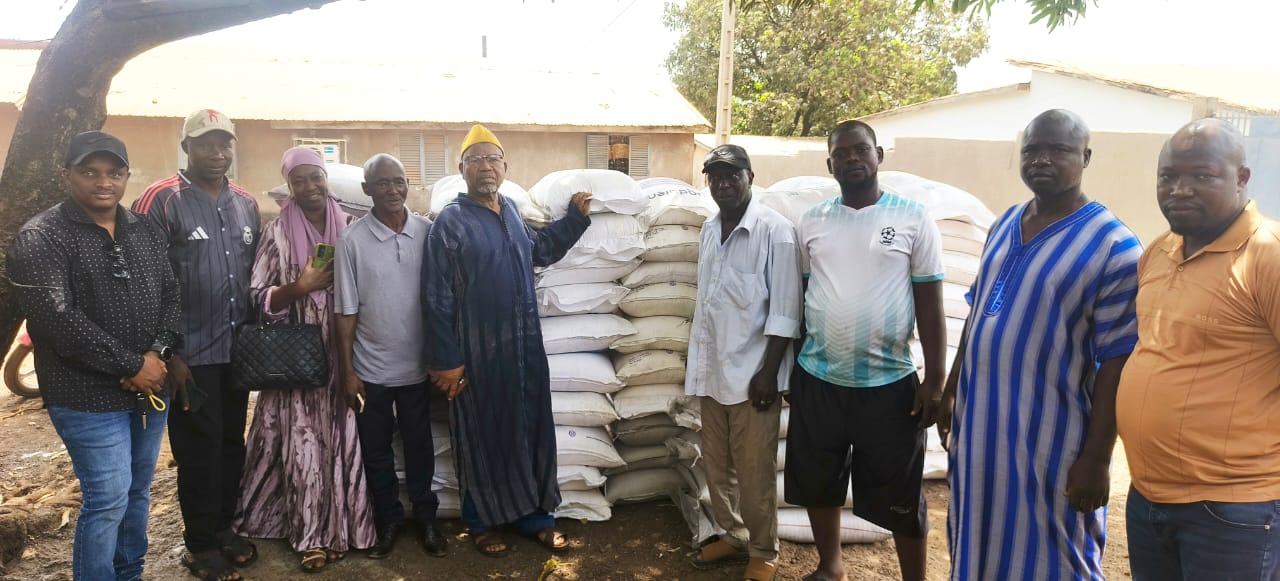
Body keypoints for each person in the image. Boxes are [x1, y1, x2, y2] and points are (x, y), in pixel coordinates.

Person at [938, 109, 1141, 580]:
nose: (1042, 159)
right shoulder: (1005, 222)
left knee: (1058, 556)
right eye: (1032, 150)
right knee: (974, 539)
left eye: (1059, 150)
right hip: (980, 434)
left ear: (1086, 156)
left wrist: (1096, 459)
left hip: (1051, 444)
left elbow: (1118, 362)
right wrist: (951, 390)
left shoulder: (1115, 247)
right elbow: (977, 312)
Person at [7, 131, 180, 580]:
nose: (103, 182)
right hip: (84, 395)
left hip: (147, 390)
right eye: (89, 172)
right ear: (67, 175)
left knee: (138, 491)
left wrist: (156, 355)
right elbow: (59, 321)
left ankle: (130, 574)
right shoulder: (42, 237)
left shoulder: (144, 228)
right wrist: (131, 365)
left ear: (125, 176)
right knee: (107, 498)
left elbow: (171, 296)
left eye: (114, 172)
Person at [1117, 119, 1280, 580]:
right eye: (1168, 177)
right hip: (1149, 499)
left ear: (1241, 179)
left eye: (1202, 176)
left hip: (1234, 510)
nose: (1180, 189)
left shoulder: (1266, 255)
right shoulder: (1159, 251)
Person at [785, 120, 946, 581]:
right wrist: (797, 365)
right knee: (819, 480)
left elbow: (930, 304)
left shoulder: (913, 217)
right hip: (819, 378)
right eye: (843, 153)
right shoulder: (812, 221)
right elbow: (802, 297)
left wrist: (933, 379)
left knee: (901, 490)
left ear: (879, 156)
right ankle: (830, 566)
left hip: (890, 383)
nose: (853, 159)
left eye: (862, 150)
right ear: (829, 163)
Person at [423, 124, 591, 557]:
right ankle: (483, 523)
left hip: (524, 350)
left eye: (492, 158)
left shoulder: (514, 211)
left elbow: (541, 248)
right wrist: (446, 360)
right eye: (475, 159)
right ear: (461, 169)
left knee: (532, 431)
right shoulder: (449, 222)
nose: (485, 166)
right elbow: (435, 296)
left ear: (504, 166)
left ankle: (537, 518)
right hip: (476, 356)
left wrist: (575, 220)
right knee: (481, 436)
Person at [132, 109, 260, 581]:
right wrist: (170, 355)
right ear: (186, 147)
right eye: (206, 143)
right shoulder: (160, 199)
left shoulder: (245, 202)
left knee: (231, 444)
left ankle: (224, 528)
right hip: (189, 356)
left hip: (236, 353)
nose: (217, 152)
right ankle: (200, 543)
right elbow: (143, 284)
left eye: (224, 143)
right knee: (198, 451)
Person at [233, 146, 375, 573]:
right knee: (303, 447)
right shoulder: (276, 233)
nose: (310, 187)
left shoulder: (350, 227)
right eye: (300, 180)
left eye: (316, 177)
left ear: (325, 178)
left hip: (345, 354)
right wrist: (301, 286)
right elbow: (257, 297)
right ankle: (311, 536)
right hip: (295, 358)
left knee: (343, 441)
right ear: (289, 186)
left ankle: (349, 530)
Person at [685, 144, 802, 581]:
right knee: (717, 466)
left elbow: (786, 309)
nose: (723, 183)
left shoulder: (776, 231)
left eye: (732, 175)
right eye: (715, 176)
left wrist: (769, 372)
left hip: (755, 377)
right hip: (712, 371)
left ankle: (763, 550)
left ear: (751, 176)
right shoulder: (709, 229)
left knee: (755, 473)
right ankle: (730, 535)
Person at [334, 154, 446, 559]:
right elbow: (345, 312)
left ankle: (427, 519)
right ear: (367, 190)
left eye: (399, 182)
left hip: (417, 370)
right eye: (382, 183)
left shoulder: (428, 233)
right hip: (371, 372)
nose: (393, 190)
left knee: (420, 447)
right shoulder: (351, 241)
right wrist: (348, 371)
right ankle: (389, 522)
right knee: (377, 452)